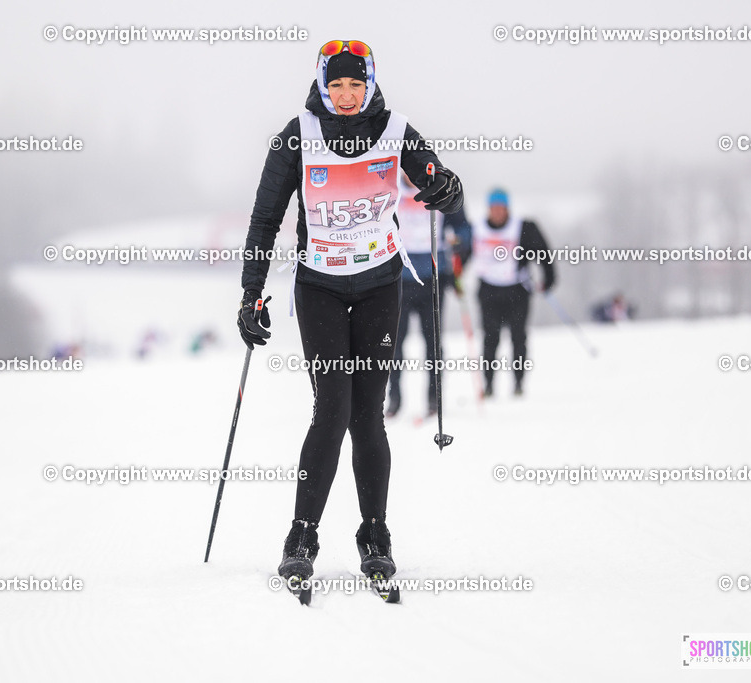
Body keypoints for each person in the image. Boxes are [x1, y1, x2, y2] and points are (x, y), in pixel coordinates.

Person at [236, 39, 463, 583]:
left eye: (354, 85)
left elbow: (442, 186)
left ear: (370, 84)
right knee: (332, 409)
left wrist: (447, 189)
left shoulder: (395, 128)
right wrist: (251, 295)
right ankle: (302, 534)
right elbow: (265, 218)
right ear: (321, 83)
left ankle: (374, 534)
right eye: (335, 85)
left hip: (380, 284)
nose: (344, 95)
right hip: (320, 286)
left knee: (368, 415)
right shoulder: (296, 135)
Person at [385, 174, 470, 418]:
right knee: (393, 345)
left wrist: (460, 242)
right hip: (398, 279)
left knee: (433, 343)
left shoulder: (440, 190)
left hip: (432, 278)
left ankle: (434, 398)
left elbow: (463, 225)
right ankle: (394, 400)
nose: (411, 175)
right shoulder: (389, 188)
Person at [468, 188, 555, 397]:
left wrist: (548, 280)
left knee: (518, 337)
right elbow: (462, 254)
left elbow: (543, 253)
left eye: (501, 208)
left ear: (507, 208)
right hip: (488, 290)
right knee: (490, 338)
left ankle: (518, 383)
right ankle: (488, 385)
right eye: (494, 208)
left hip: (517, 290)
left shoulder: (523, 227)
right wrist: (454, 276)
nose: (497, 212)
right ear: (489, 209)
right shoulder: (477, 228)